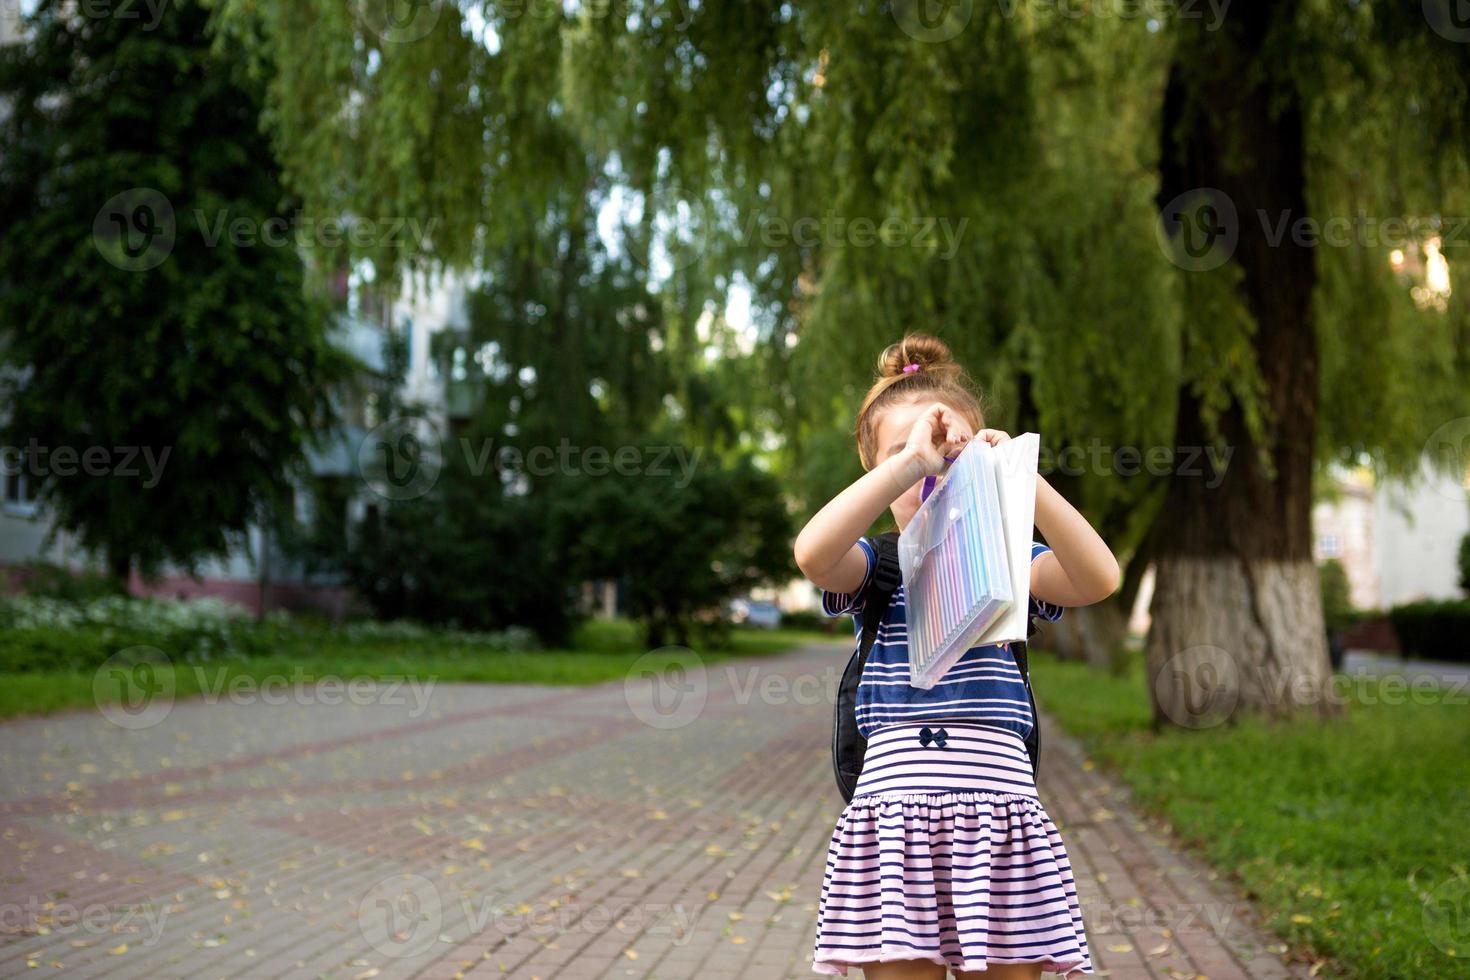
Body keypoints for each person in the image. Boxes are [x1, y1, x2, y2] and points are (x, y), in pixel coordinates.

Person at [795, 333, 1120, 979]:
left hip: (999, 827)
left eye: (950, 453)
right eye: (905, 454)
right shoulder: (876, 568)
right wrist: (911, 463)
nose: (935, 466)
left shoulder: (1007, 564)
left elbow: (1098, 577)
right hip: (893, 831)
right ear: (876, 471)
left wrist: (1022, 479)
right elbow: (812, 553)